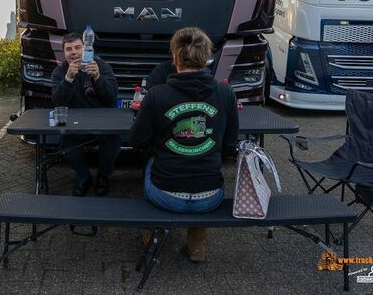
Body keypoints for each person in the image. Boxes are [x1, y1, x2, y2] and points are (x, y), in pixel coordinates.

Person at [129, 27, 238, 262]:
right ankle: (196, 245)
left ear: (175, 57)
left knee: (150, 164)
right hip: (210, 196)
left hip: (165, 195)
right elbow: (230, 145)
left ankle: (152, 234)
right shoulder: (225, 93)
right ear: (206, 56)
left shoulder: (156, 94)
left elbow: (137, 141)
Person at [51, 32, 120, 196]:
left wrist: (97, 77)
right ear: (64, 53)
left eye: (77, 47)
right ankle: (84, 177)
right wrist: (68, 79)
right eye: (69, 49)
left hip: (102, 120)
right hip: (76, 123)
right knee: (64, 141)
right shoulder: (59, 72)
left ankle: (103, 175)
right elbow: (58, 102)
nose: (73, 52)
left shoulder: (101, 66)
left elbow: (111, 97)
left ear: (86, 49)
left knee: (114, 138)